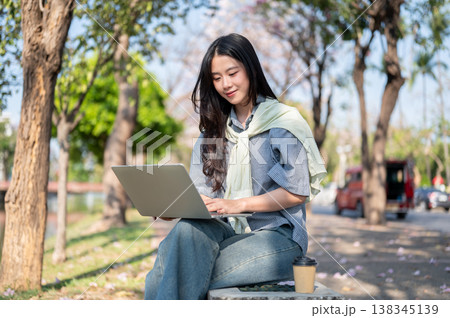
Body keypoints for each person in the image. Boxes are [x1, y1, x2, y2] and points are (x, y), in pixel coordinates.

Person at [144, 33, 326, 300]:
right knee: (184, 231)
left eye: (232, 73)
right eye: (216, 78)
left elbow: (296, 191)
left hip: (277, 237)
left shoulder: (283, 122)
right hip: (225, 232)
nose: (225, 84)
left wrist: (238, 204)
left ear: (250, 68)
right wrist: (171, 209)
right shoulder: (212, 133)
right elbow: (203, 200)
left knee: (170, 269)